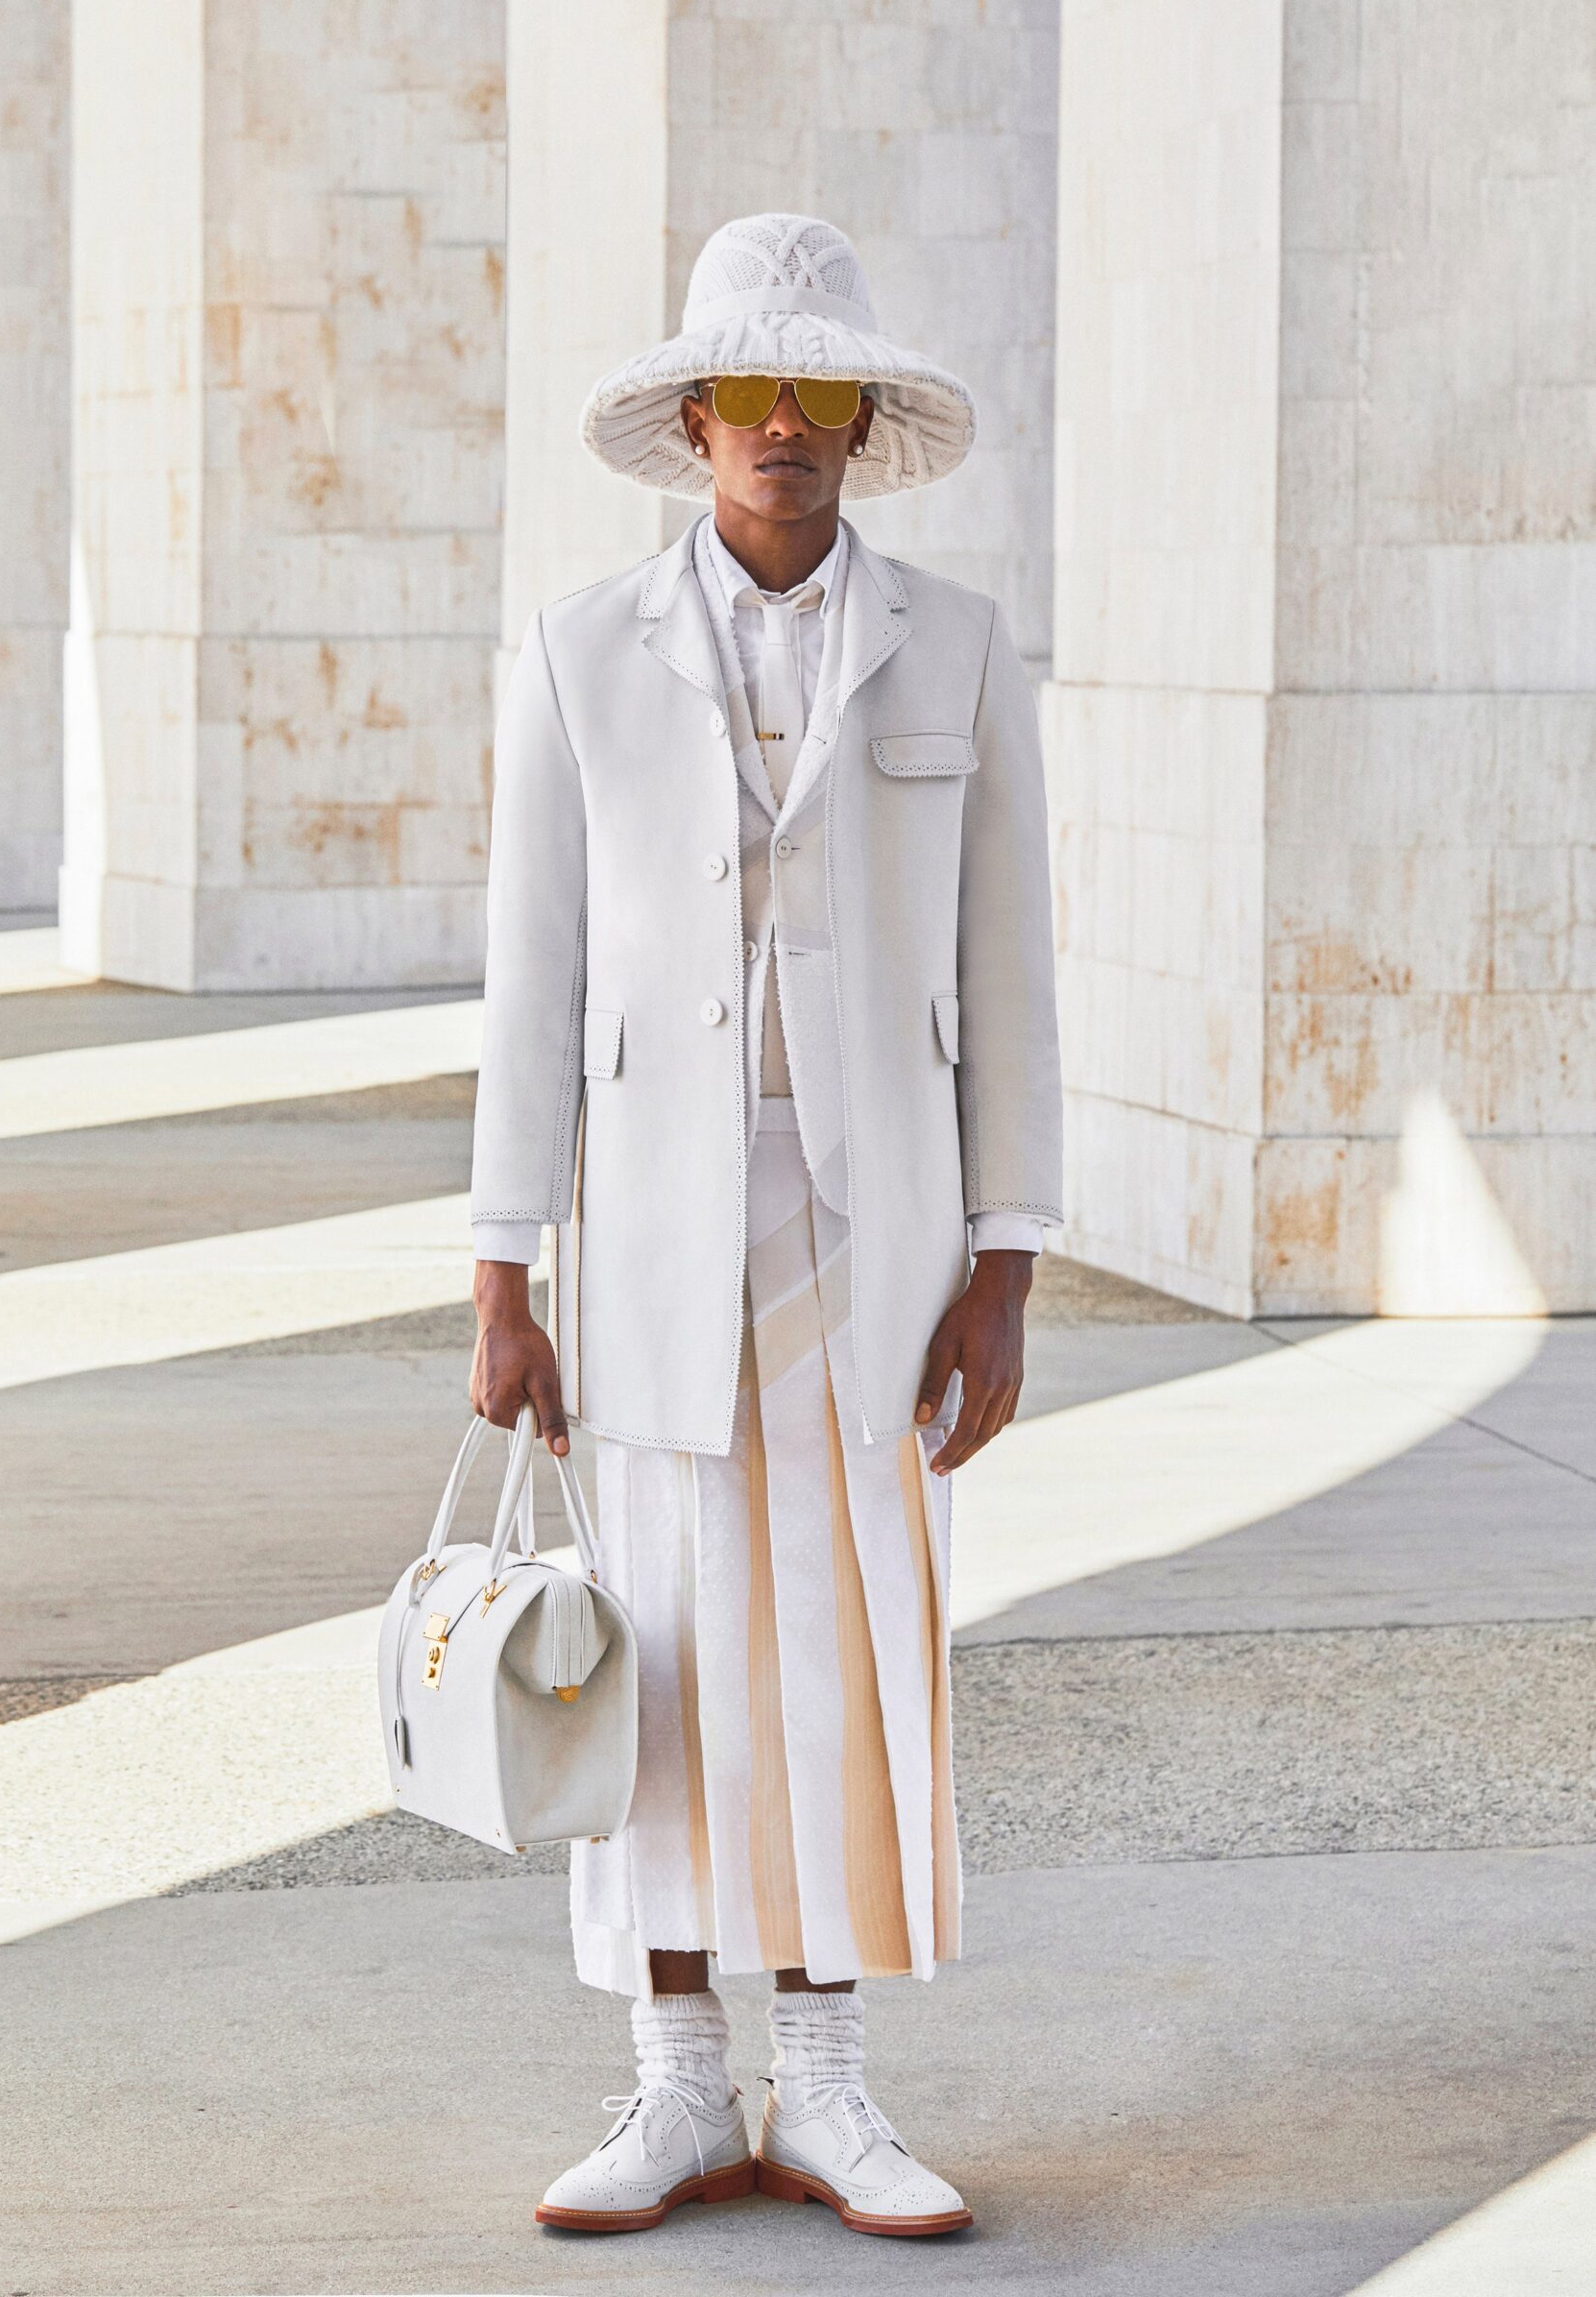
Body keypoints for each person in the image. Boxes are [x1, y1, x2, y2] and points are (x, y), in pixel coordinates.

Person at [469, 213, 1061, 2238]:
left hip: (875, 1236)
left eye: (823, 392)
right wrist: (496, 1271)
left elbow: (1011, 975)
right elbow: (528, 987)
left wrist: (1005, 1264)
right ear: (696, 413)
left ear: (859, 421)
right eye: (752, 389)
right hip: (643, 1236)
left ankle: (823, 2082)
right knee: (650, 1648)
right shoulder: (574, 651)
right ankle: (669, 2085)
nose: (785, 426)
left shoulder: (961, 647)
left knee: (843, 1646)